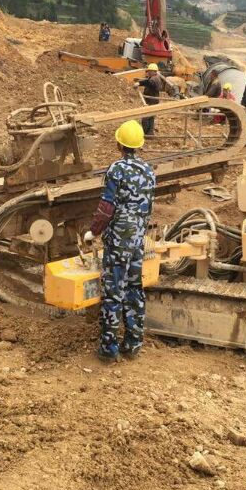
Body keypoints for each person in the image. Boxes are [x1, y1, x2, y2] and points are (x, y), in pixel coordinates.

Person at [84, 120, 156, 362]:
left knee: (113, 291)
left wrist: (93, 231)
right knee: (134, 289)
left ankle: (109, 349)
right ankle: (133, 344)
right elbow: (148, 207)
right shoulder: (148, 170)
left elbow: (107, 207)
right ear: (140, 145)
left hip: (118, 240)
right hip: (137, 239)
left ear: (119, 144)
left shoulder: (116, 169)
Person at [138, 63, 164, 136]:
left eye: (149, 71)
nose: (148, 73)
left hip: (152, 101)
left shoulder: (154, 79)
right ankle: (150, 133)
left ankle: (144, 133)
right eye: (148, 71)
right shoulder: (153, 77)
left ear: (154, 71)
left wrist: (139, 83)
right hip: (152, 101)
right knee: (151, 117)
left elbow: (149, 83)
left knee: (145, 118)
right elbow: (147, 81)